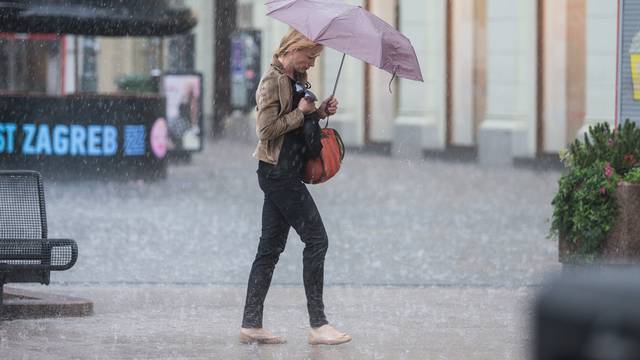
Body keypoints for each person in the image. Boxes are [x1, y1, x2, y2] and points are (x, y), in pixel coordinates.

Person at [240, 28, 351, 346]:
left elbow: (300, 123)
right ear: (292, 49)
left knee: (270, 249)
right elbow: (266, 130)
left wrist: (318, 111)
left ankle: (251, 323)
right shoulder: (271, 80)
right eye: (310, 56)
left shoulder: (298, 80)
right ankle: (318, 324)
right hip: (278, 173)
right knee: (317, 240)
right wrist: (299, 114)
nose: (313, 63)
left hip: (286, 173)